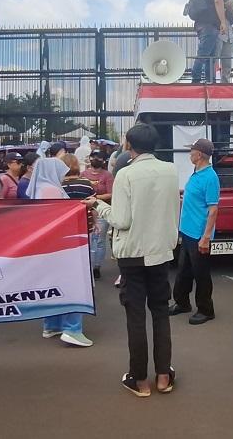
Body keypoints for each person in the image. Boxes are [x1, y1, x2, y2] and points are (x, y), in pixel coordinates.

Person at [84, 123, 179, 397]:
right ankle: (164, 376)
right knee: (160, 312)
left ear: (128, 145)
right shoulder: (171, 170)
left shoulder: (125, 174)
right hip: (161, 251)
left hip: (133, 255)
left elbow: (121, 220)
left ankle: (139, 380)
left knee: (136, 316)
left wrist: (98, 205)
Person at [28, 157, 93, 348]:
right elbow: (60, 217)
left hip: (48, 247)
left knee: (53, 284)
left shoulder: (38, 189)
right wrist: (83, 208)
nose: (63, 177)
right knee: (73, 285)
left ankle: (52, 324)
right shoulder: (52, 190)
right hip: (62, 245)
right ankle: (72, 329)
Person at [170, 138, 220, 325]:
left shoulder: (210, 177)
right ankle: (182, 302)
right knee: (184, 270)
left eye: (191, 151)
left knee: (201, 273)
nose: (189, 154)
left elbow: (213, 210)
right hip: (187, 231)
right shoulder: (196, 173)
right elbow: (197, 198)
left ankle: (206, 309)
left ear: (199, 155)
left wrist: (206, 237)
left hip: (199, 234)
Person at [190, 0, 231, 84]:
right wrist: (223, 22)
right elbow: (218, 1)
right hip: (209, 25)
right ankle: (196, 80)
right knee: (204, 54)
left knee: (210, 57)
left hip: (203, 25)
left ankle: (210, 81)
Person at [81, 150, 114, 279]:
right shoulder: (83, 174)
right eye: (93, 157)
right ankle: (87, 266)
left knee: (99, 240)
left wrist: (95, 198)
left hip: (101, 211)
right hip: (85, 211)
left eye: (99, 157)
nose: (95, 159)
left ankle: (97, 267)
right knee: (87, 240)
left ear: (103, 160)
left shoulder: (107, 175)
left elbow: (110, 194)